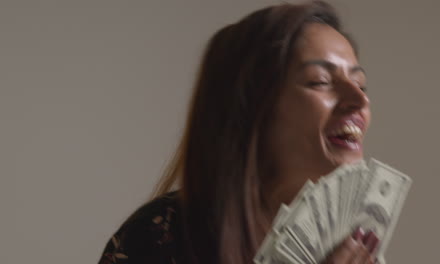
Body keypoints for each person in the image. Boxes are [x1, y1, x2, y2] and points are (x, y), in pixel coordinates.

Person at [98, 1, 381, 263]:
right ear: (251, 108)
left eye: (361, 84)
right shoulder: (156, 236)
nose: (360, 100)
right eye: (320, 81)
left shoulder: (346, 245)